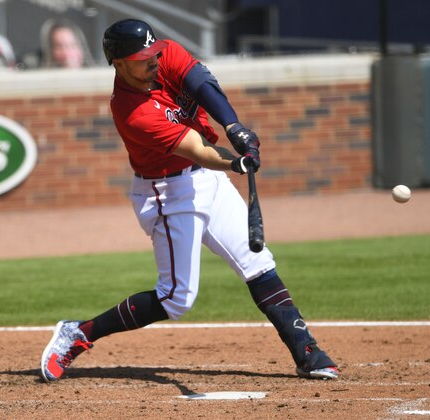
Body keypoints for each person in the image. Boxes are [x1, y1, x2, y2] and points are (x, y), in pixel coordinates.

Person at [40, 19, 338, 382]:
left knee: (256, 261)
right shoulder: (132, 112)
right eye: (141, 57)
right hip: (167, 193)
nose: (153, 60)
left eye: (152, 53)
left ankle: (306, 351)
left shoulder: (163, 54)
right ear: (118, 63)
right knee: (177, 298)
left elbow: (202, 84)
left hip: (207, 181)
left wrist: (234, 127)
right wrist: (237, 162)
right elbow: (197, 149)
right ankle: (80, 332)